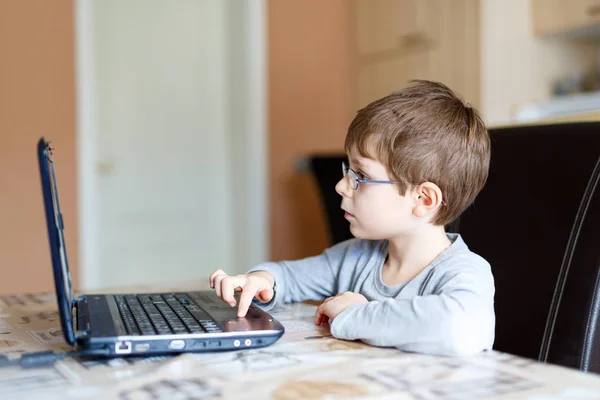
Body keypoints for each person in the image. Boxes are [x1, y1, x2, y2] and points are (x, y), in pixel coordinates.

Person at [209, 80, 495, 356]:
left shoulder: (464, 272)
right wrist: (261, 280)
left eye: (361, 176)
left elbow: (461, 328)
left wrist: (355, 314)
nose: (341, 186)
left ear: (423, 199)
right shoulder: (356, 258)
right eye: (348, 170)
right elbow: (289, 277)